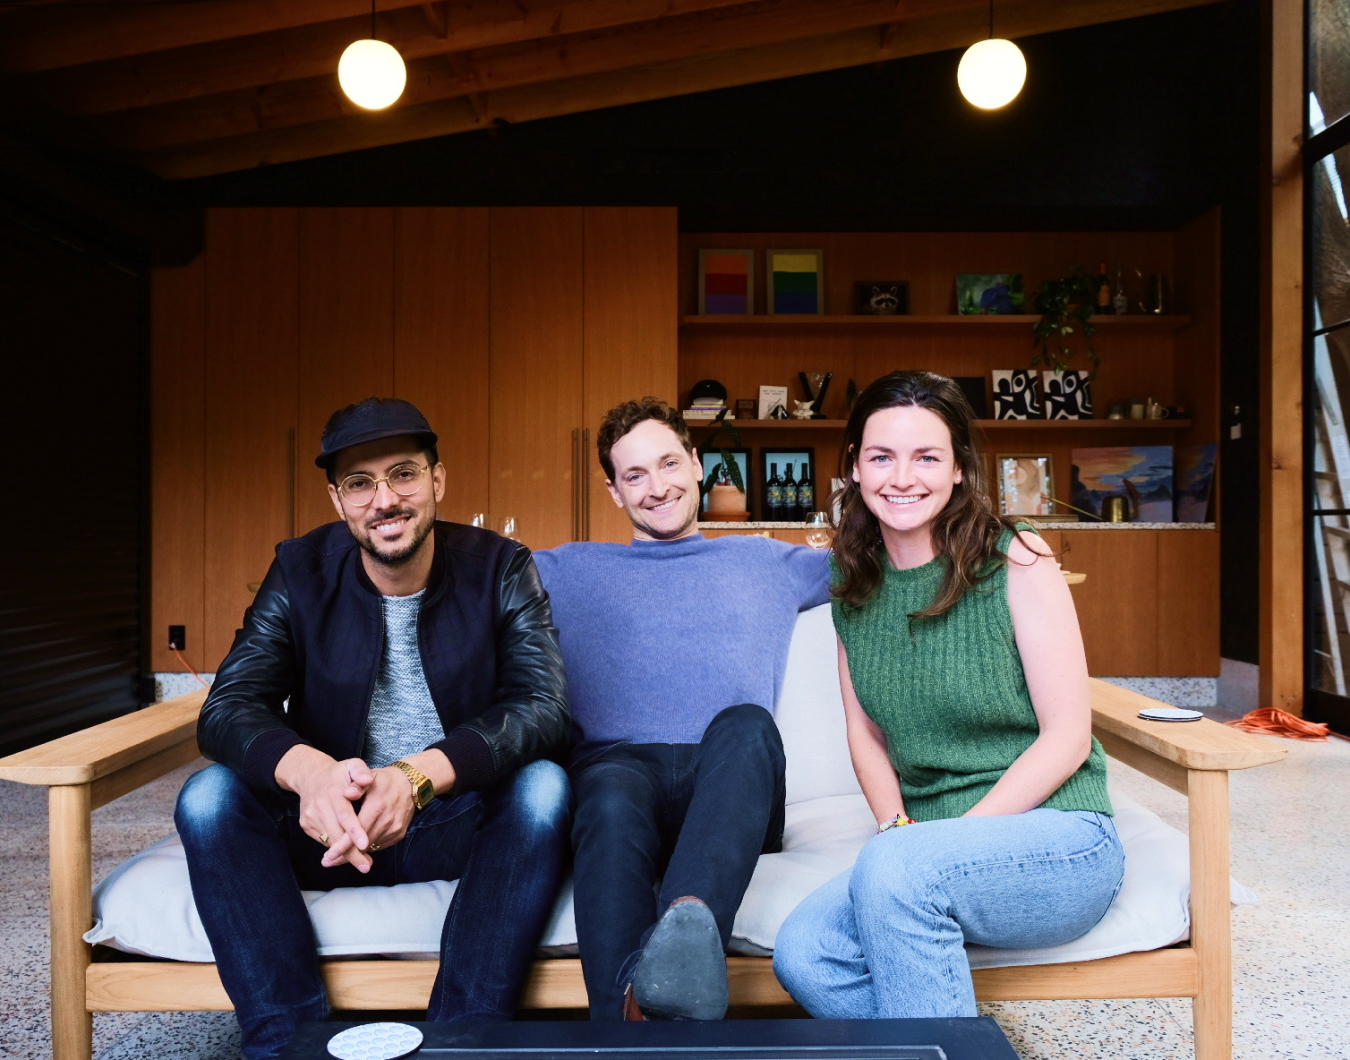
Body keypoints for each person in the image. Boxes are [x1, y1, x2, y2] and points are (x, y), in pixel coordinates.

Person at [174, 397, 571, 1060]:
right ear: (338, 500)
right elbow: (229, 706)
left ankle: (459, 1039)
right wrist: (314, 777)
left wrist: (418, 777)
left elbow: (544, 706)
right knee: (208, 799)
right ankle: (287, 1045)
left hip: (450, 820)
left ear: (437, 481)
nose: (384, 499)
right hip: (327, 829)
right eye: (361, 483)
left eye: (404, 475)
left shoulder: (501, 566)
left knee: (543, 789)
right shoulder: (298, 571)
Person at [772, 371, 1124, 1019]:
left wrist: (934, 847)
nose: (901, 477)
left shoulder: (1017, 559)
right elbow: (866, 735)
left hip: (1058, 839)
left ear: (960, 468)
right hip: (923, 850)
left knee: (898, 872)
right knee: (805, 950)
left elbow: (1068, 737)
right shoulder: (851, 582)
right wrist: (898, 832)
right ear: (854, 467)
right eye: (881, 457)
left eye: (927, 457)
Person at [532, 397, 831, 1021]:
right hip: (616, 772)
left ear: (698, 465)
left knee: (748, 724)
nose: (657, 487)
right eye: (634, 476)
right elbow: (447, 575)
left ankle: (679, 945)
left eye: (669, 464)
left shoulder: (768, 559)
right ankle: (632, 1015)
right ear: (614, 492)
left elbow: (894, 566)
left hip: (730, 781)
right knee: (607, 794)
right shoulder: (567, 569)